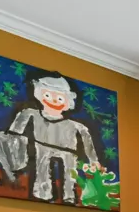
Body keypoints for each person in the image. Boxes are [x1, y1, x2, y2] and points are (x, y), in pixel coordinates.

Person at [5, 76, 100, 204]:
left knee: (69, 172)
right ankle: (43, 193)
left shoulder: (73, 125)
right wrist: (13, 135)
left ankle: (69, 196)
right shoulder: (32, 113)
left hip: (68, 150)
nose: (54, 101)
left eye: (60, 98)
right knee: (42, 167)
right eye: (48, 95)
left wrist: (93, 160)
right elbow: (20, 121)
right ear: (39, 94)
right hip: (43, 146)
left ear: (67, 102)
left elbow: (86, 136)